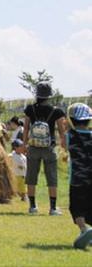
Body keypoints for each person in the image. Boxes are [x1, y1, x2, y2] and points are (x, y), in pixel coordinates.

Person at [23, 82, 66, 215]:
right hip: (49, 147)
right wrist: (63, 145)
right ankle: (53, 208)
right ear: (49, 95)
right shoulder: (56, 111)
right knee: (51, 177)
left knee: (31, 177)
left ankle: (33, 207)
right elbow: (61, 130)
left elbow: (26, 128)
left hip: (33, 147)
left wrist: (25, 144)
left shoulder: (30, 109)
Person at [66, 103, 92, 249]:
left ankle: (84, 229)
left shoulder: (70, 136)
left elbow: (63, 145)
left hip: (77, 180)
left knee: (77, 208)